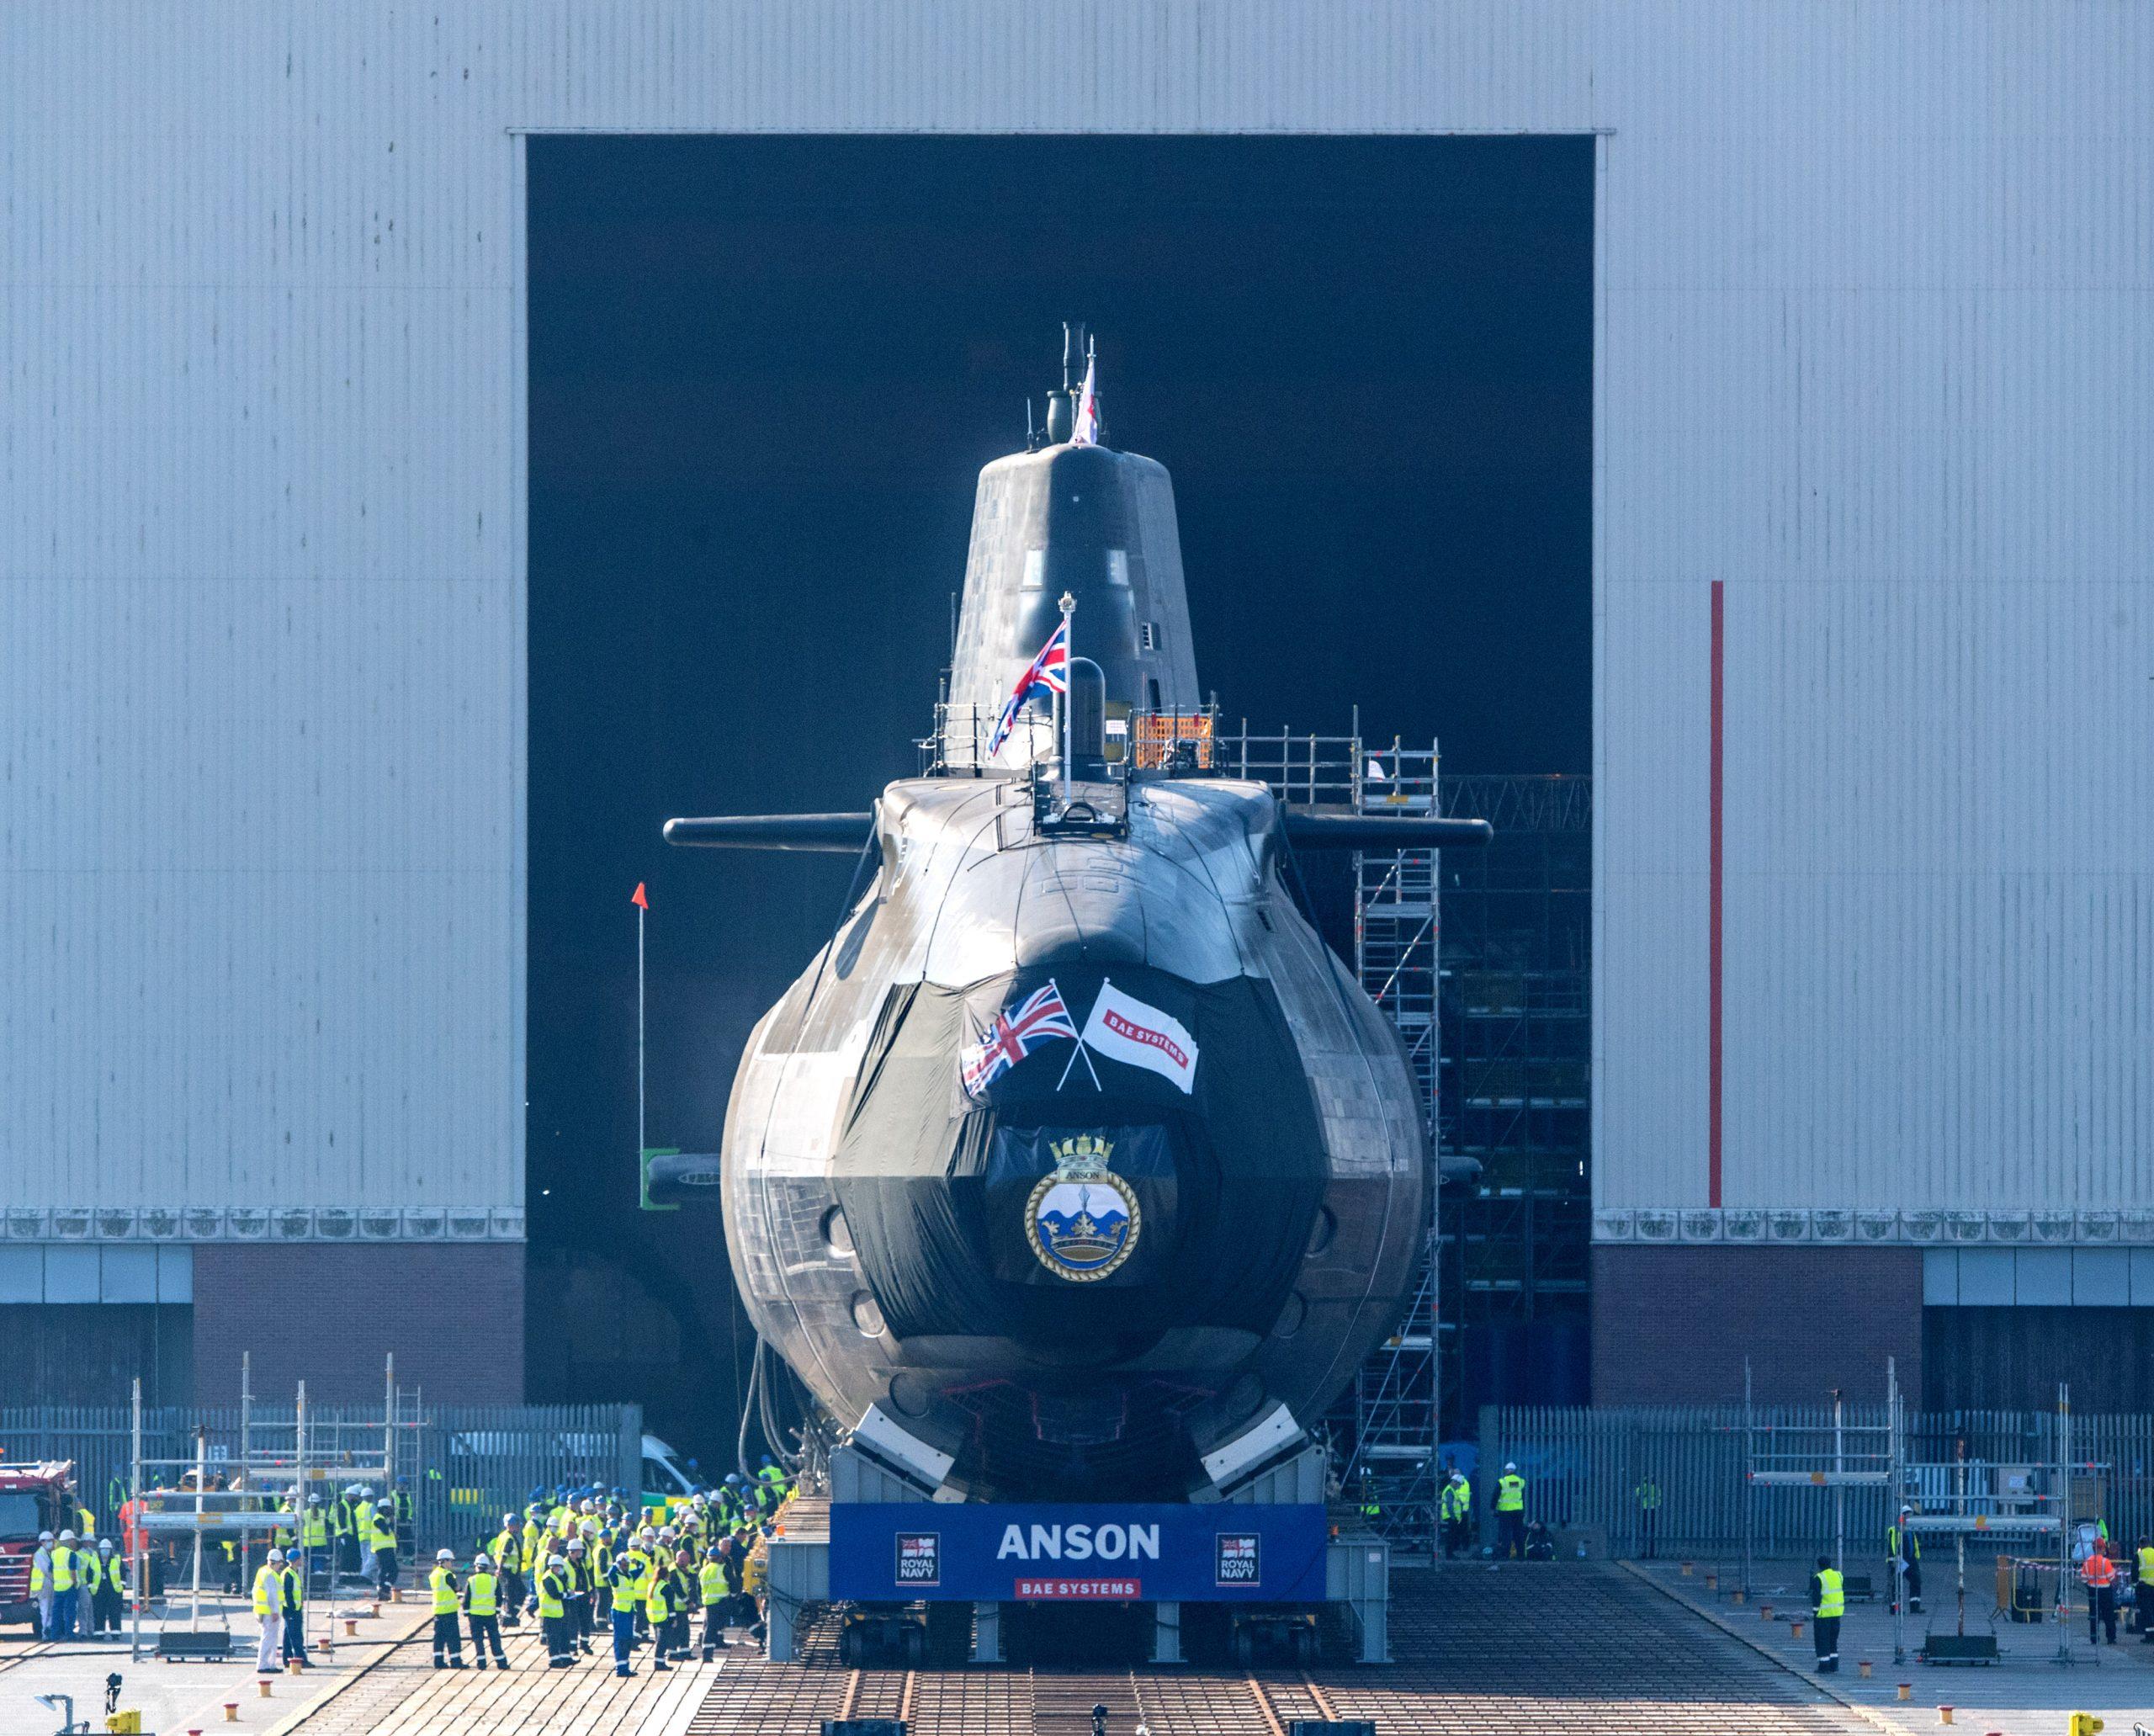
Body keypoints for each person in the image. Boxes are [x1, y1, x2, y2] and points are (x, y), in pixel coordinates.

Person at [464, 1551, 510, 1669]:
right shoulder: (493, 1580)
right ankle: (502, 1663)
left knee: (478, 1639)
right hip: (490, 1615)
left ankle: (481, 1663)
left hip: (475, 1615)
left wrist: (466, 1612)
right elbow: (499, 1597)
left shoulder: (471, 1580)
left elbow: (467, 1598)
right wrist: (497, 1610)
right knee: (494, 1638)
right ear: (487, 1567)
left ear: (476, 1566)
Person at [607, 1537, 644, 1678]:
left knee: (628, 1639)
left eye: (627, 1564)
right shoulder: (615, 1577)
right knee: (620, 1639)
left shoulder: (630, 1576)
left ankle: (625, 1667)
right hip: (619, 1612)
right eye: (623, 1564)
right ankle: (620, 1667)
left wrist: (635, 1561)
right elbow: (610, 1573)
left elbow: (641, 1568)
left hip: (628, 1611)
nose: (625, 1566)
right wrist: (616, 1565)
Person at [428, 1548, 465, 1669]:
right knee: (453, 1638)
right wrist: (459, 1586)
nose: (451, 1564)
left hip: (438, 1611)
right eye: (450, 1561)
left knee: (439, 1638)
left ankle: (438, 1661)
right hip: (449, 1611)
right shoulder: (447, 1574)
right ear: (445, 1561)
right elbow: (457, 1588)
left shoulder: (434, 1574)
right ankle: (455, 1661)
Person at [253, 1548, 287, 1675]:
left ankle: (270, 1664)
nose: (280, 1567)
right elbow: (271, 1594)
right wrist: (274, 1611)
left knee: (271, 1638)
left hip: (263, 1610)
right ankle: (263, 1665)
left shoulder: (262, 1571)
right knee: (268, 1638)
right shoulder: (270, 1575)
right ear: (276, 1562)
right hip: (269, 1612)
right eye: (279, 1564)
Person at [538, 1550, 575, 1668]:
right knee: (553, 1638)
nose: (561, 1569)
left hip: (558, 1612)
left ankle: (565, 1658)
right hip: (550, 1613)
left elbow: (561, 1589)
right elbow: (554, 1594)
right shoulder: (548, 1578)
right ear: (553, 1567)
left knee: (564, 1635)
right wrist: (566, 1595)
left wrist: (567, 1592)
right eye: (559, 1567)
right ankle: (554, 1661)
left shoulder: (557, 1577)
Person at [1810, 1553, 1844, 1673]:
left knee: (1822, 1640)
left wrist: (1815, 1612)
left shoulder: (1819, 1578)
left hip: (1823, 1614)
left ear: (1819, 1566)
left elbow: (1816, 1598)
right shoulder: (1838, 1575)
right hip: (1837, 1613)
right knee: (1833, 1640)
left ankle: (1824, 1666)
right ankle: (1834, 1665)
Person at [491, 1511, 525, 1627]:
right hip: (509, 1572)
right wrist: (499, 1569)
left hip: (509, 1571)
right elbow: (504, 1555)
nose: (518, 1527)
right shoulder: (509, 1539)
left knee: (515, 1594)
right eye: (516, 1525)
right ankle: (508, 1618)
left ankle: (511, 1616)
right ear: (510, 1525)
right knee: (513, 1595)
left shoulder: (503, 1535)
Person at [1887, 1506, 1923, 1614]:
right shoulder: (1895, 1530)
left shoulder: (1911, 1529)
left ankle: (1915, 1607)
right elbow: (1892, 1546)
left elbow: (1915, 1545)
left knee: (1916, 1581)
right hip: (1900, 1560)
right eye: (1908, 1514)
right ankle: (1895, 1608)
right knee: (1897, 1584)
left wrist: (1916, 1558)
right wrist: (1893, 1560)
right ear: (1903, 1516)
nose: (1910, 1517)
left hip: (1911, 1560)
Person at [644, 1548, 674, 1671]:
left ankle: (659, 1662)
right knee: (663, 1642)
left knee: (659, 1641)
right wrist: (673, 1618)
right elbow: (670, 1604)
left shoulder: (652, 1585)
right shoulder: (665, 1587)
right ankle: (659, 1663)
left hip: (653, 1617)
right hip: (664, 1617)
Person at [2083, 1544, 2120, 1644]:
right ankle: (2111, 1638)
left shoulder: (2088, 1561)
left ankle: (2094, 1638)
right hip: (2105, 1591)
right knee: (2109, 1615)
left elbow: (2083, 1578)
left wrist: (2090, 1585)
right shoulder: (2105, 1562)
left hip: (2092, 1591)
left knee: (2094, 1615)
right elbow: (2111, 1577)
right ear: (2102, 1548)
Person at [49, 1528, 81, 1640]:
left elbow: (51, 1571)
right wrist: (75, 1582)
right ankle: (69, 1634)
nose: (74, 1542)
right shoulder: (71, 1554)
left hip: (58, 1588)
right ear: (69, 1540)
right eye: (73, 1540)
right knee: (70, 1612)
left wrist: (57, 1581)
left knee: (56, 1612)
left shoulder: (54, 1554)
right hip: (69, 1588)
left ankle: (54, 1634)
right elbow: (73, 1571)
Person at [279, 1548, 309, 1669]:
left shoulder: (292, 1572)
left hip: (294, 1609)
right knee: (296, 1636)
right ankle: (301, 1659)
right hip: (291, 1610)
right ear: (296, 1560)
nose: (303, 1560)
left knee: (288, 1636)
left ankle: (287, 1659)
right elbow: (287, 1594)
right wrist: (292, 1610)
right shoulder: (288, 1574)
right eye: (301, 1558)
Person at [90, 1537, 125, 1638]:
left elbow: (123, 1574)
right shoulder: (94, 1560)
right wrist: (90, 1587)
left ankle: (115, 1633)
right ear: (99, 1550)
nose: (105, 1551)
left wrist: (122, 1586)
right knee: (99, 1612)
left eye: (107, 1549)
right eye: (103, 1549)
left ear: (111, 1550)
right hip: (99, 1591)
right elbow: (89, 1575)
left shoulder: (117, 1560)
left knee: (115, 1612)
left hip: (114, 1591)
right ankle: (99, 1633)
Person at [699, 1544, 729, 1660]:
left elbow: (698, 1588)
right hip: (721, 1601)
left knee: (710, 1626)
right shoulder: (723, 1568)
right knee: (713, 1627)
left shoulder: (703, 1570)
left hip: (709, 1602)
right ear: (720, 1557)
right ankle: (707, 1654)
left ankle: (707, 1650)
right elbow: (732, 1582)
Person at [565, 1537, 595, 1654]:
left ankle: (584, 1644)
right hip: (573, 1598)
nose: (581, 1553)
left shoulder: (581, 1563)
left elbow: (586, 1578)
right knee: (573, 1623)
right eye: (579, 1551)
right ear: (573, 1551)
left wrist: (590, 1592)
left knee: (585, 1621)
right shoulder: (565, 1564)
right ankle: (572, 1648)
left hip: (584, 1596)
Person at [367, 1500, 400, 1600]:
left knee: (393, 1570)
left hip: (387, 1548)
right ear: (382, 1509)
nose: (390, 1511)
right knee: (384, 1569)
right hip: (382, 1549)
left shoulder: (383, 1519)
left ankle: (386, 1588)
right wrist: (391, 1525)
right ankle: (382, 1589)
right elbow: (386, 1532)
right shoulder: (378, 1519)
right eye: (388, 1509)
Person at [1494, 1463, 1527, 1559]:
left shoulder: (1502, 1482)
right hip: (1518, 1512)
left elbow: (1495, 1495)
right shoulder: (1521, 1482)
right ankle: (1521, 1556)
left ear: (1507, 1470)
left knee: (1506, 1534)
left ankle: (1505, 1555)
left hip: (1505, 1512)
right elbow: (1523, 1497)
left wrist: (1493, 1508)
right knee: (1518, 1533)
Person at [1439, 1471, 1472, 1560]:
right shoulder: (1450, 1491)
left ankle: (1450, 1554)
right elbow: (1450, 1506)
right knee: (1450, 1537)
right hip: (1450, 1517)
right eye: (1459, 1484)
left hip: (1452, 1517)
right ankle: (1449, 1555)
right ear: (1455, 1482)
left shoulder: (1452, 1490)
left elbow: (1455, 1503)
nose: (1460, 1486)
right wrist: (1453, 1517)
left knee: (1452, 1537)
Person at [29, 1531, 54, 1639]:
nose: (51, 1543)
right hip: (43, 1585)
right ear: (43, 1542)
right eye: (49, 1541)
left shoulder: (46, 1553)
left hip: (46, 1584)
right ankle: (45, 1632)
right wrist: (55, 1580)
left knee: (48, 1609)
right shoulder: (40, 1554)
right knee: (45, 1609)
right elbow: (46, 1570)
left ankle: (48, 1629)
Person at [1634, 1473, 1663, 1559]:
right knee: (1652, 1531)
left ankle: (1646, 1551)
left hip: (1646, 1510)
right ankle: (1652, 1551)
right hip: (1654, 1510)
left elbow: (1637, 1493)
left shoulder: (1644, 1486)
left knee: (1646, 1531)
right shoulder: (1656, 1487)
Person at [2135, 1536, 2154, 1641]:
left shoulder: (2139, 1554)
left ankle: (2149, 1636)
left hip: (2144, 1587)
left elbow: (2134, 1573)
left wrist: (2134, 1586)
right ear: (2149, 1543)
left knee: (2147, 1612)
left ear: (2140, 1544)